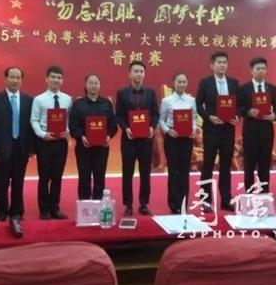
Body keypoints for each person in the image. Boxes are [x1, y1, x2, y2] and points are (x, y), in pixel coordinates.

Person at [0, 67, 34, 236]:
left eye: (18, 78)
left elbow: (30, 126)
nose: (15, 80)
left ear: (21, 80)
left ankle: (17, 212)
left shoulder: (28, 100)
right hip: (1, 148)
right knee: (2, 182)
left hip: (21, 147)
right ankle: (1, 212)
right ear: (5, 79)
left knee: (18, 182)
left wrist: (31, 148)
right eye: (12, 77)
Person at [196, 51, 239, 212]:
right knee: (208, 164)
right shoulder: (205, 83)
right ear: (212, 65)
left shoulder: (234, 83)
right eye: (219, 62)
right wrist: (209, 117)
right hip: (211, 129)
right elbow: (198, 104)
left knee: (226, 165)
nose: (222, 65)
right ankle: (205, 200)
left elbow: (239, 104)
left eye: (224, 62)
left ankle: (226, 200)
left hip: (228, 129)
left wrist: (237, 116)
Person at [116, 61, 159, 216]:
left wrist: (152, 127)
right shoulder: (122, 93)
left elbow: (156, 114)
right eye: (136, 71)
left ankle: (144, 204)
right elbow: (119, 115)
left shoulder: (151, 93)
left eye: (141, 71)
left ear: (144, 74)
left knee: (145, 173)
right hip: (129, 140)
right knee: (127, 173)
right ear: (130, 74)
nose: (139, 74)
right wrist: (126, 128)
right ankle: (128, 205)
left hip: (146, 140)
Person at [30, 66, 72, 219]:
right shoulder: (39, 99)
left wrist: (68, 130)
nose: (56, 80)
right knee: (44, 176)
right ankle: (44, 209)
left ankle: (55, 207)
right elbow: (34, 120)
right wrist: (43, 134)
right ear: (46, 79)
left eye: (59, 77)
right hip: (45, 142)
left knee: (57, 176)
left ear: (62, 80)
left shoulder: (67, 99)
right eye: (53, 77)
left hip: (61, 142)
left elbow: (70, 119)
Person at [69, 74, 118, 200]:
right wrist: (81, 137)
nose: (93, 85)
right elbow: (73, 125)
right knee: (84, 176)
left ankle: (99, 203)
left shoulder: (107, 103)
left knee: (99, 177)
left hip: (102, 147)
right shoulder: (78, 104)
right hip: (83, 147)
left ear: (100, 85)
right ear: (85, 85)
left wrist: (109, 136)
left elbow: (113, 124)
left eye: (96, 83)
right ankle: (84, 204)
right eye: (90, 83)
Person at [238, 56, 276, 193]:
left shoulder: (272, 88)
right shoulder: (244, 88)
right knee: (249, 165)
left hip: (266, 131)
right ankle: (249, 194)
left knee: (265, 165)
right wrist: (248, 112)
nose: (261, 71)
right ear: (252, 70)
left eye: (263, 68)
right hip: (250, 131)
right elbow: (238, 109)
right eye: (258, 68)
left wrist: (274, 115)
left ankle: (264, 194)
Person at [159, 73, 197, 214]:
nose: (182, 84)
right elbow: (161, 120)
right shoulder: (166, 101)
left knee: (184, 171)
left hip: (187, 139)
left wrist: (194, 129)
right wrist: (168, 131)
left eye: (184, 82)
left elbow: (194, 118)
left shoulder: (191, 100)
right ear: (173, 83)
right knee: (173, 171)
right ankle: (173, 203)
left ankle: (183, 204)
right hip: (172, 138)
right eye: (179, 82)